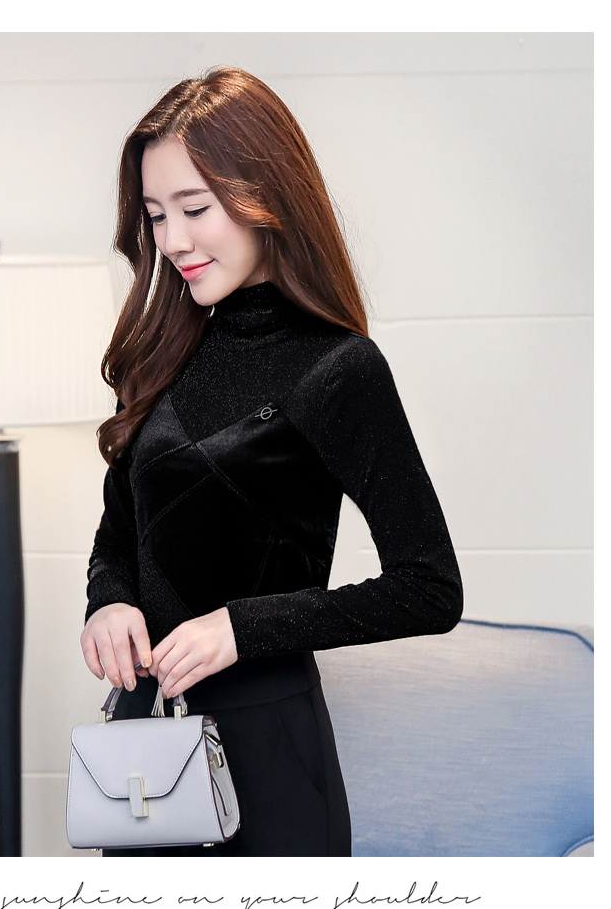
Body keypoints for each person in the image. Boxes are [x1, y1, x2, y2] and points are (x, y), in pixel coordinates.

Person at [80, 66, 463, 857]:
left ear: (267, 196)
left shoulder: (339, 368)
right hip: (146, 751)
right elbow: (120, 534)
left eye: (195, 209)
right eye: (156, 215)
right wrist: (108, 602)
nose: (173, 241)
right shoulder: (162, 353)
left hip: (270, 759)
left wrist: (242, 627)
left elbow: (430, 588)